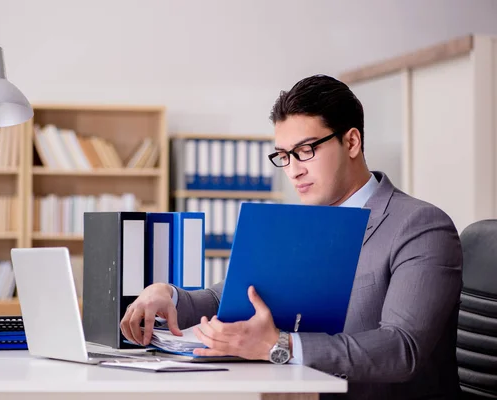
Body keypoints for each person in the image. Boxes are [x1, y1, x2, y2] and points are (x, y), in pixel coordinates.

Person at [120, 75, 463, 399]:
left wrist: (279, 345)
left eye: (305, 150)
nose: (293, 169)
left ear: (352, 141)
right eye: (283, 156)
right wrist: (169, 296)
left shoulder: (420, 226)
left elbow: (401, 348)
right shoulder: (297, 222)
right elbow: (232, 298)